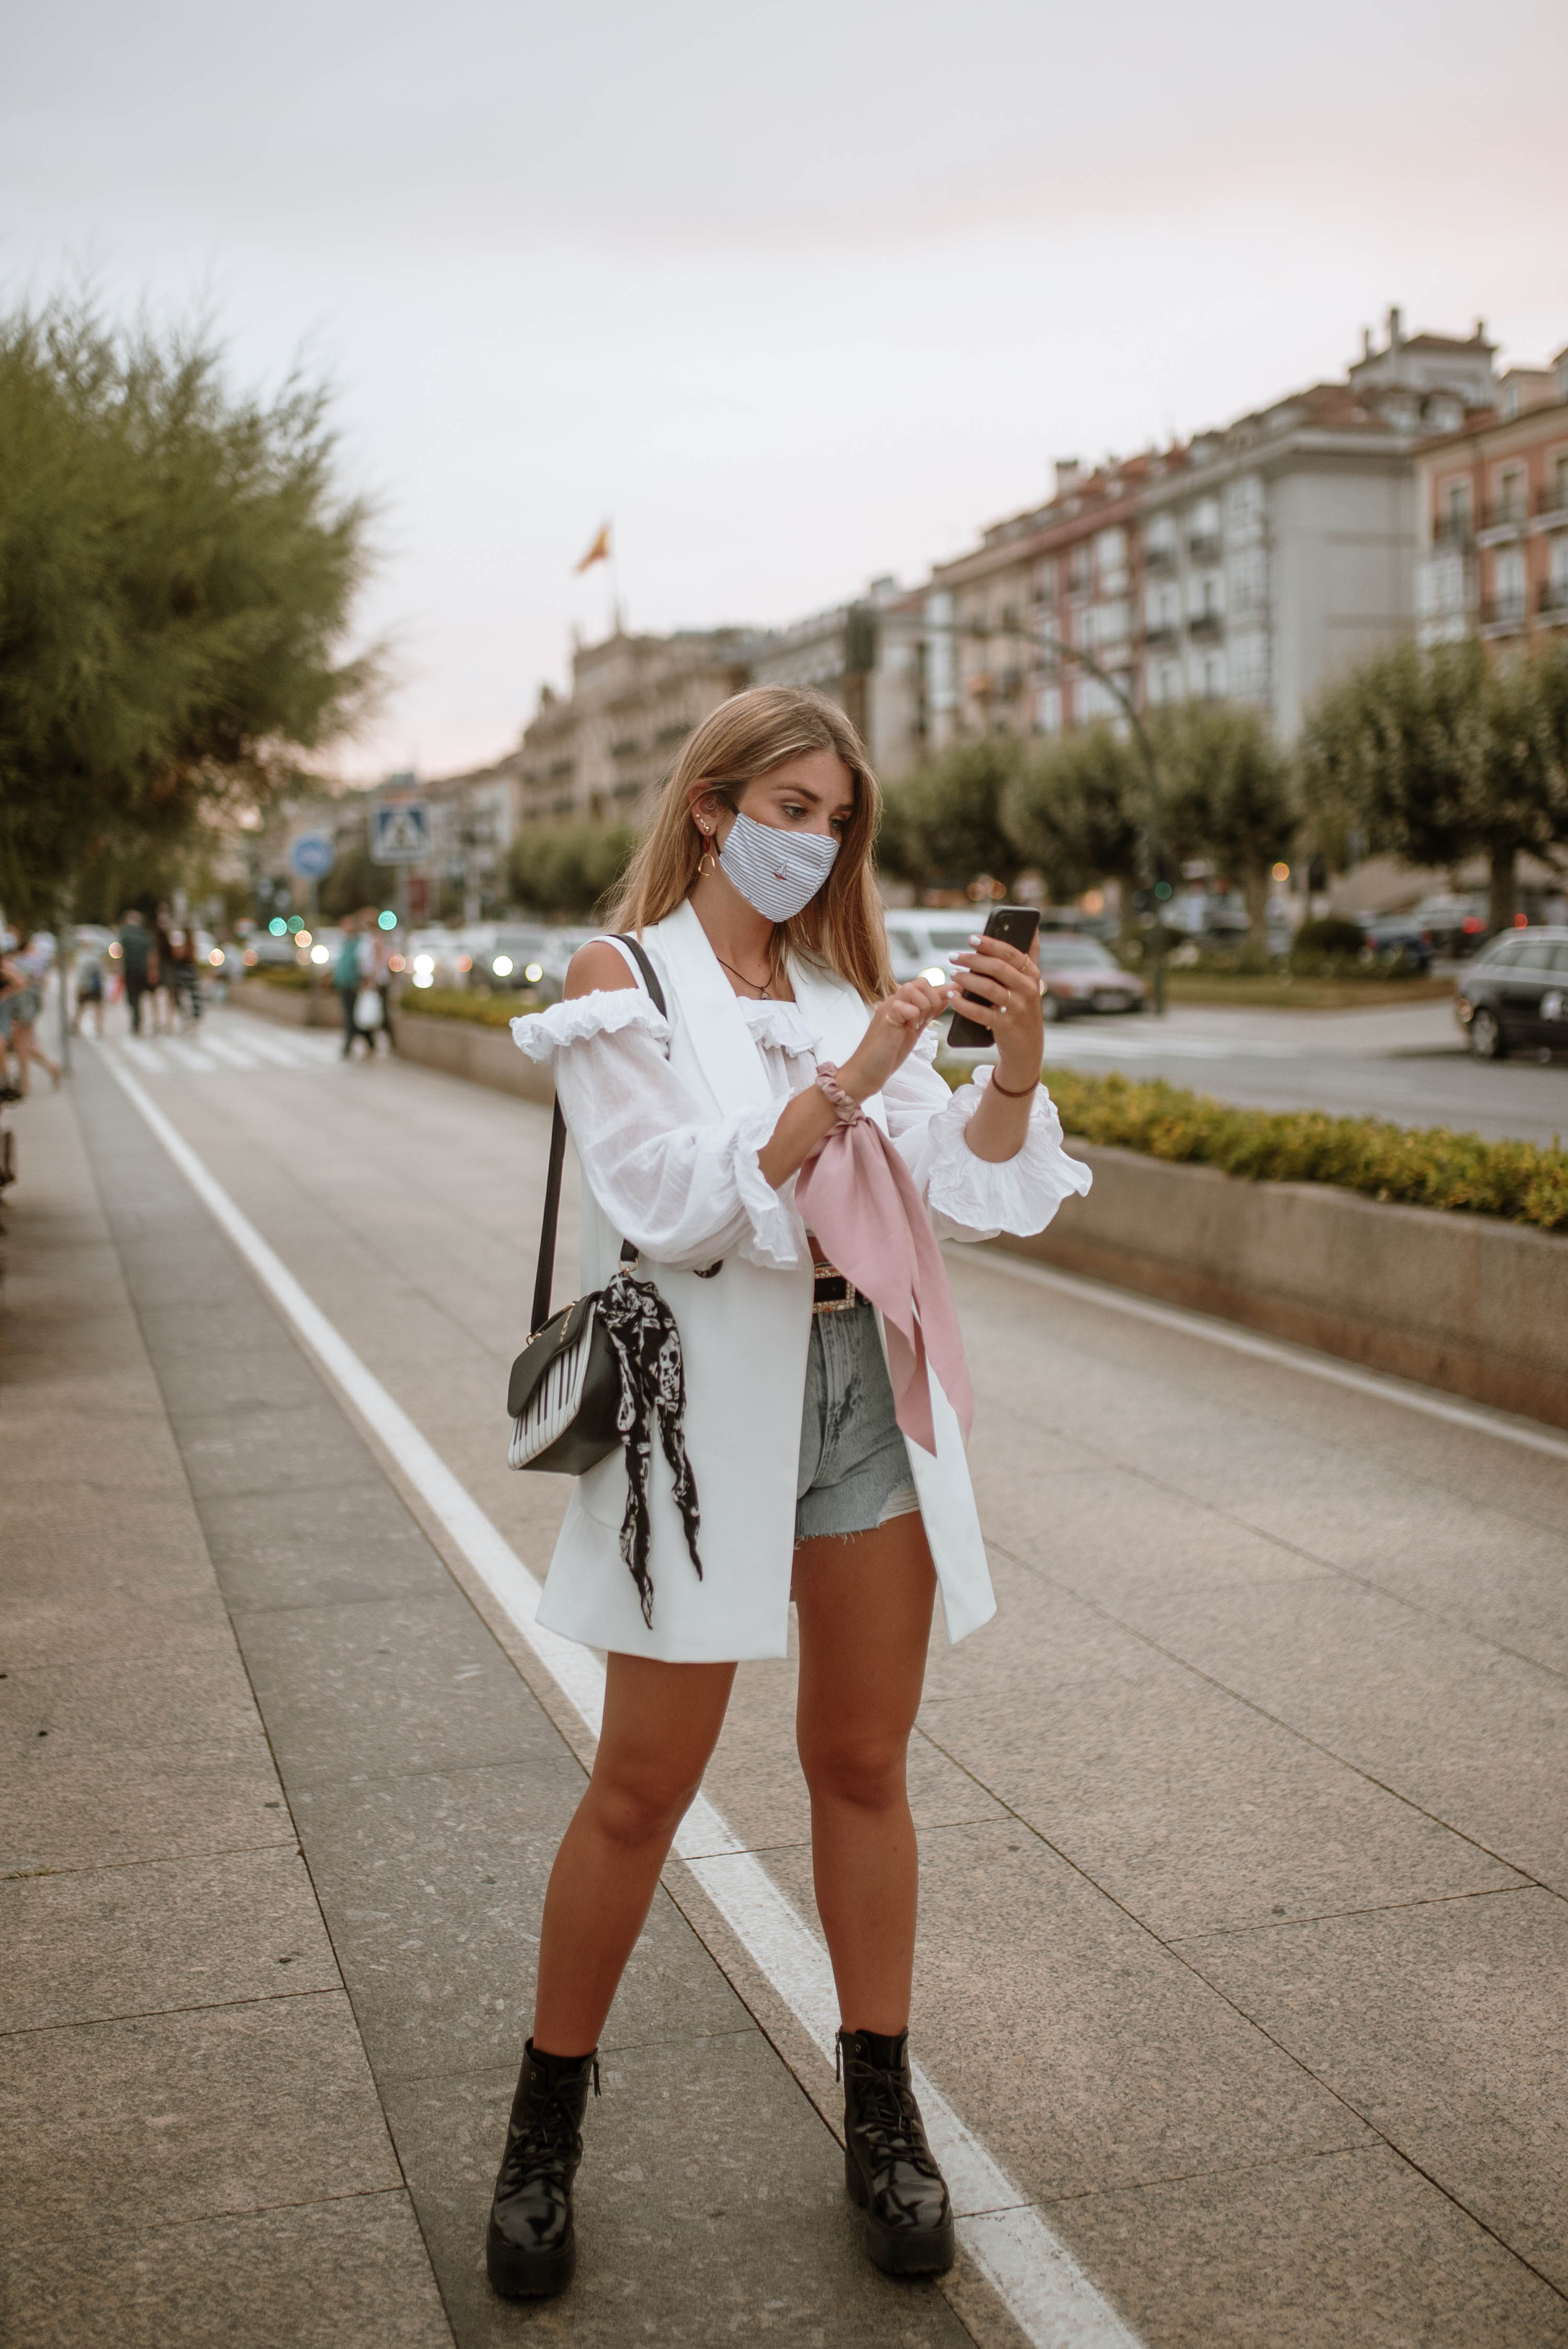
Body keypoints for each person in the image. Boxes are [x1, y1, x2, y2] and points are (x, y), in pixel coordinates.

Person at [487, 687, 1090, 2300]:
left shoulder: (836, 988)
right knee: (640, 1784)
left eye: (835, 818)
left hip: (861, 1399)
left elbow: (961, 1188)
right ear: (710, 806)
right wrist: (847, 1079)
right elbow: (671, 1202)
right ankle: (543, 2133)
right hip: (701, 1412)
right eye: (791, 807)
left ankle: (882, 2117)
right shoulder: (623, 980)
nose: (812, 840)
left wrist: (1006, 1068)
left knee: (860, 1762)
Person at [0, 932, 62, 1095]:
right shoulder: (17, 961)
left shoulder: (11, 963)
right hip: (23, 1007)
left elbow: (22, 982)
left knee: (22, 1044)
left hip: (20, 1008)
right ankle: (49, 1069)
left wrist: (5, 994)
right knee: (25, 1044)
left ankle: (27, 1083)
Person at [333, 912, 369, 1058]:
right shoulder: (345, 942)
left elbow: (363, 963)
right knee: (351, 1016)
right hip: (344, 984)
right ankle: (368, 1040)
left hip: (354, 984)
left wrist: (362, 981)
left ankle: (348, 1046)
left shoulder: (360, 943)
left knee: (352, 1016)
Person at [117, 912, 156, 1035]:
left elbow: (120, 953)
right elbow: (152, 955)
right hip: (143, 969)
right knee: (138, 996)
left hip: (131, 969)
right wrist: (152, 970)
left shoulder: (126, 935)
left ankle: (137, 1018)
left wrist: (119, 969)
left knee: (132, 997)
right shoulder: (145, 934)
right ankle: (138, 1017)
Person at [72, 939, 106, 1039]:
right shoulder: (97, 958)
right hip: (96, 987)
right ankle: (99, 1028)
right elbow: (101, 974)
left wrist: (79, 987)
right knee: (98, 1008)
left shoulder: (81, 959)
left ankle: (76, 1026)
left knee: (81, 1007)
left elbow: (80, 975)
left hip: (85, 986)